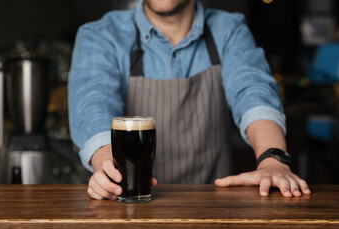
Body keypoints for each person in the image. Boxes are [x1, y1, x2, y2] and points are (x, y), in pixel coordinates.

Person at [68, 0, 311, 200]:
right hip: (133, 210)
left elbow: (253, 91)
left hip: (213, 215)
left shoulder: (229, 30)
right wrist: (107, 169)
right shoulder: (99, 35)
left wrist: (272, 159)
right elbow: (92, 102)